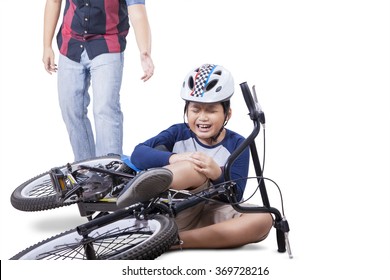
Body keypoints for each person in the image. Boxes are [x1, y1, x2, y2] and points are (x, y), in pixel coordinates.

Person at [117, 64, 273, 249]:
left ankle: (172, 241)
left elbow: (237, 196)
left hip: (209, 211)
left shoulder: (238, 144)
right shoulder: (177, 133)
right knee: (193, 166)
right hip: (172, 206)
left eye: (211, 110)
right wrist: (174, 158)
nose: (203, 117)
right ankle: (138, 192)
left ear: (227, 114)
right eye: (195, 110)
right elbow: (138, 154)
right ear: (186, 111)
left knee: (264, 218)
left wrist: (218, 175)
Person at [43, 0, 154, 161]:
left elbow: (137, 12)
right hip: (71, 43)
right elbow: (53, 1)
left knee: (105, 108)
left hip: (107, 43)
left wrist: (145, 51)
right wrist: (47, 45)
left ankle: (109, 171)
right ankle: (85, 168)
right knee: (70, 108)